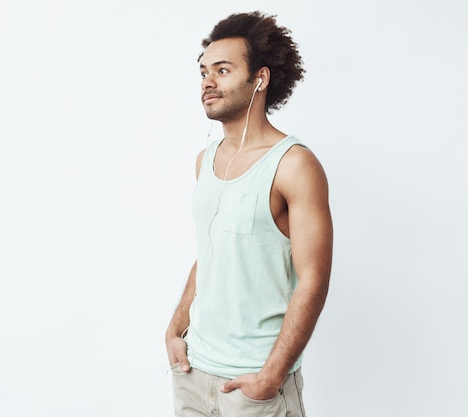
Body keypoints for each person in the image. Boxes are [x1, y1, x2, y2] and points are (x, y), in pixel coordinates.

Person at [165, 11, 333, 417]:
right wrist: (175, 327)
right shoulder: (205, 161)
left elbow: (313, 280)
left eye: (222, 70)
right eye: (204, 71)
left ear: (260, 78)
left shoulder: (293, 164)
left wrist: (270, 378)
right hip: (193, 374)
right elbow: (212, 252)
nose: (207, 81)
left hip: (253, 387)